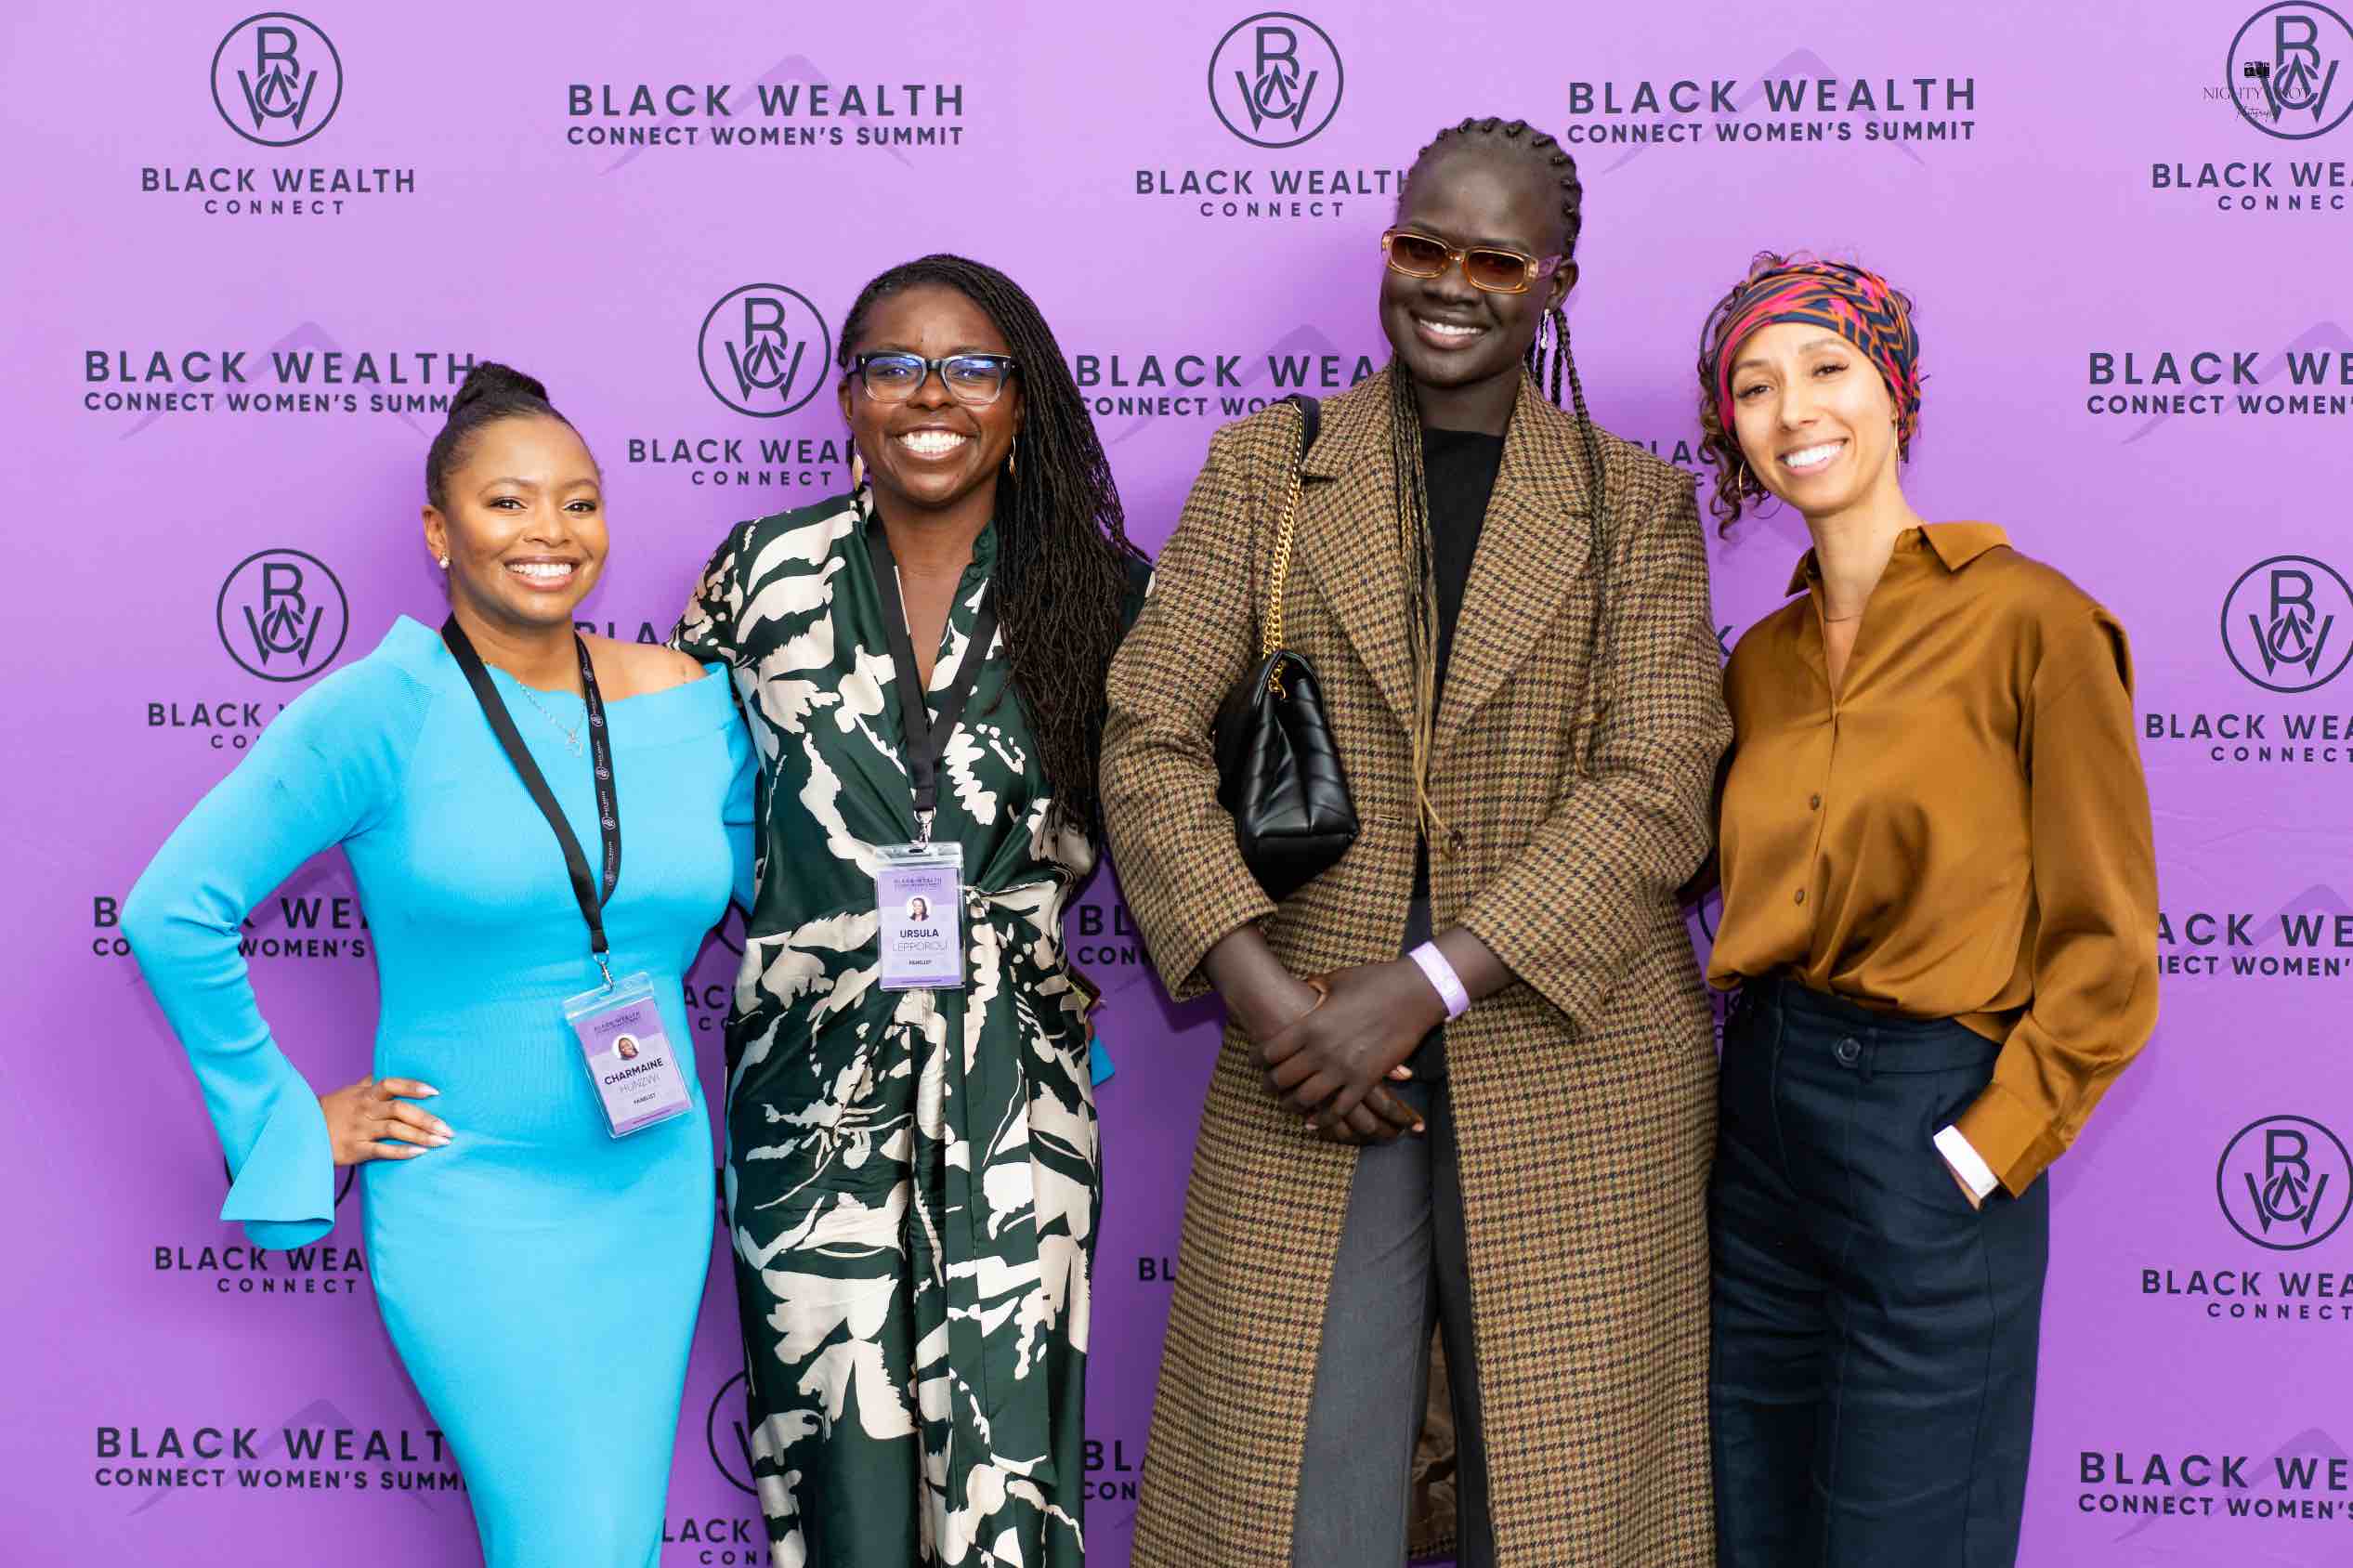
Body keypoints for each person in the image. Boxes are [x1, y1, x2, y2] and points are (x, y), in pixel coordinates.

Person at [1103, 116, 1731, 1568]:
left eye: (1493, 261)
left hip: (1577, 1057)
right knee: (1287, 1501)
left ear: (1554, 282)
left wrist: (1427, 982)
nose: (1450, 284)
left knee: (1568, 1515)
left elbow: (1654, 782)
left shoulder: (1632, 504)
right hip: (1308, 1055)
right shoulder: (1266, 469)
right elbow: (1144, 737)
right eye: (1420, 247)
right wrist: (1270, 1003)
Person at [124, 362, 752, 1568]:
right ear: (438, 531)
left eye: (579, 501)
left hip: (654, 1183)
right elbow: (173, 912)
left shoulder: (688, 703)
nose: (549, 531)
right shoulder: (383, 708)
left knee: (611, 1541)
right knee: (575, 1544)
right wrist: (284, 1121)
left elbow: (792, 897)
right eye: (507, 502)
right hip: (475, 1197)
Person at [673, 254, 1148, 1568]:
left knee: (1008, 1467)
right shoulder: (760, 574)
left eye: (972, 368)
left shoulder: (1103, 592)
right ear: (848, 397)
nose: (931, 396)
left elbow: (1176, 819)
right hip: (805, 1088)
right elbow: (669, 810)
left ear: (1021, 399)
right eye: (895, 366)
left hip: (1018, 1084)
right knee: (838, 1459)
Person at [1695, 254, 2159, 1567]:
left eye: (1825, 368)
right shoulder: (1756, 663)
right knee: (1753, 1528)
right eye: (1753, 387)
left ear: (1893, 392)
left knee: (1905, 1539)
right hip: (1761, 1122)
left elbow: (2109, 936)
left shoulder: (2033, 622)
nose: (1793, 410)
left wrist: (1983, 1149)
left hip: (1928, 1117)